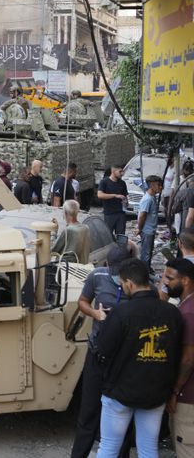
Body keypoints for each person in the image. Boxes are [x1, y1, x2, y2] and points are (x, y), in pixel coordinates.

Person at [95, 259, 182, 458]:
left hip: (119, 393)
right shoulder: (172, 313)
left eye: (123, 284)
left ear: (130, 284)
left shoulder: (121, 312)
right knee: (149, 449)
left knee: (108, 448)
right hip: (156, 393)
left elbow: (103, 350)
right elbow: (176, 353)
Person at [70, 244, 134, 458]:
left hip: (124, 359)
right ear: (107, 265)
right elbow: (83, 302)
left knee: (122, 414)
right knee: (88, 412)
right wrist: (95, 314)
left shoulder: (138, 282)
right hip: (97, 354)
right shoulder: (97, 277)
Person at [165, 258, 194, 458]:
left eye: (169, 278)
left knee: (186, 447)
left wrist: (175, 390)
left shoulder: (189, 312)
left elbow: (188, 359)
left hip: (188, 396)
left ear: (185, 281)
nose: (165, 282)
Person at [135, 175, 162, 265]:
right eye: (159, 185)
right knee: (146, 253)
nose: (161, 187)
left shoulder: (152, 197)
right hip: (147, 231)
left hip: (150, 230)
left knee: (149, 252)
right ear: (152, 185)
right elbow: (142, 215)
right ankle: (144, 272)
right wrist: (139, 228)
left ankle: (147, 269)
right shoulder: (147, 199)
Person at [98, 165, 128, 239]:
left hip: (121, 214)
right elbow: (100, 195)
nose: (122, 173)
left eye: (122, 171)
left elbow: (125, 197)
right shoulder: (104, 182)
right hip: (109, 214)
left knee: (121, 237)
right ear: (113, 171)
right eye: (120, 171)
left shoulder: (122, 183)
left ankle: (120, 250)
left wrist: (126, 202)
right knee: (107, 236)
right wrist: (115, 195)